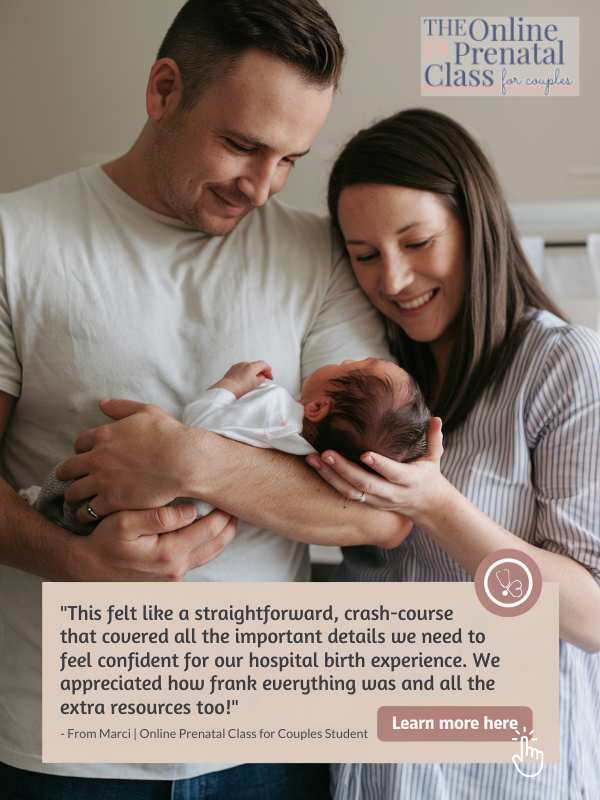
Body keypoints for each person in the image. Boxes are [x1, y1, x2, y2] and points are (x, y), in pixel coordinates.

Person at [0, 2, 411, 798]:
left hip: (269, 746)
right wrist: (75, 562)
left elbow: (381, 510)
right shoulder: (18, 240)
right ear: (163, 91)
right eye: (242, 145)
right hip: (61, 750)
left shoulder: (318, 255)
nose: (262, 187)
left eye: (291, 158)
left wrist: (188, 458)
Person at [303, 107, 600, 799]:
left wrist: (438, 507)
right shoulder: (366, 381)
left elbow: (590, 616)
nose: (395, 280)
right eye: (366, 255)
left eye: (418, 242)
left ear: (476, 224)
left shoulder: (560, 366)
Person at [25, 357, 430, 538]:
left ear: (319, 406)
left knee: (68, 483)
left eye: (350, 364)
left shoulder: (274, 405)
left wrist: (231, 385)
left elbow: (196, 430)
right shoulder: (310, 461)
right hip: (186, 517)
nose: (342, 358)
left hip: (156, 491)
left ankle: (38, 502)